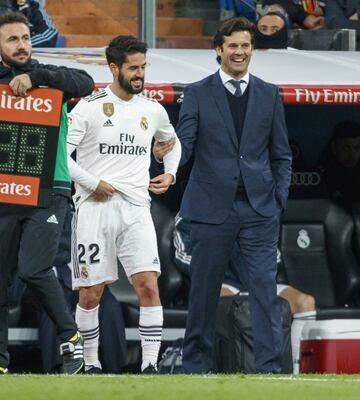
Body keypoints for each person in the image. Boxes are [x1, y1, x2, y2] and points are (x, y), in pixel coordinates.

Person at [175, 17, 292, 374]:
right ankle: (195, 365)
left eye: (245, 46)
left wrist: (277, 201)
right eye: (233, 46)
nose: (240, 52)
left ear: (251, 49)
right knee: (203, 294)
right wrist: (167, 161)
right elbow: (185, 145)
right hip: (211, 209)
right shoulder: (197, 92)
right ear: (218, 50)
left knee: (264, 292)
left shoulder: (270, 93)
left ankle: (271, 369)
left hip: (259, 209)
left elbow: (281, 154)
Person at [66, 35, 181, 374]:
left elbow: (170, 142)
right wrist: (91, 182)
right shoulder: (88, 107)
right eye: (133, 67)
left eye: (143, 67)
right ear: (113, 68)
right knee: (91, 292)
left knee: (148, 284)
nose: (140, 74)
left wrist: (170, 173)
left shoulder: (152, 109)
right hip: (94, 208)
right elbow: (61, 154)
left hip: (135, 208)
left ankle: (149, 364)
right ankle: (90, 364)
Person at [0, 11, 94, 374]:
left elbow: (86, 82)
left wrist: (34, 75)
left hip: (49, 190)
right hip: (6, 191)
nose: (21, 45)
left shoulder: (51, 77)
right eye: (12, 40)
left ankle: (70, 338)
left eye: (24, 37)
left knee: (33, 268)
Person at [172, 213, 316, 374]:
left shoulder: (255, 210)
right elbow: (182, 256)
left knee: (305, 302)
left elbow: (273, 256)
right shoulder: (192, 210)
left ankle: (298, 371)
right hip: (220, 282)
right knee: (230, 303)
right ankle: (226, 368)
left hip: (256, 283)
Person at [322, 120, 360, 210]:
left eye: (357, 148)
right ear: (334, 148)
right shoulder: (324, 177)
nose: (352, 155)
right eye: (346, 148)